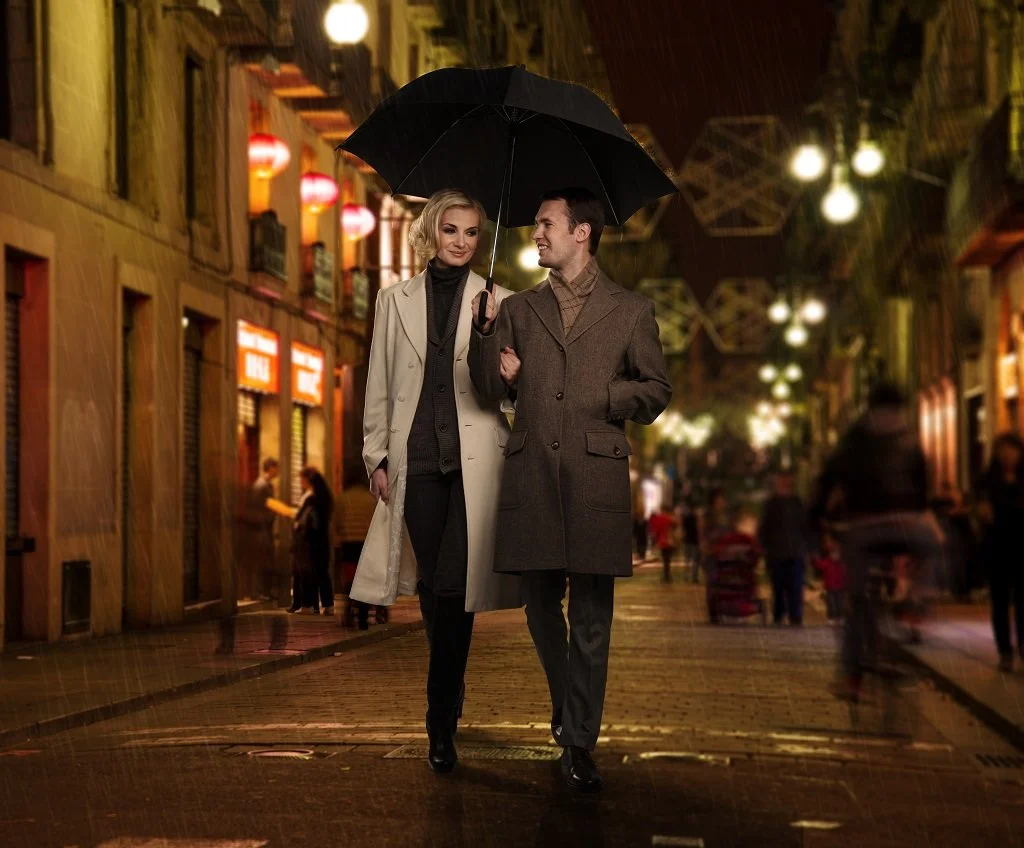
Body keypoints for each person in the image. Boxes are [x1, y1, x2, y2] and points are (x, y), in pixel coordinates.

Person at [470, 186, 671, 792]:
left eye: (546, 224)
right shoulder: (517, 309)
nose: (536, 233)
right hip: (533, 474)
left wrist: (604, 395)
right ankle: (568, 703)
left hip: (593, 478)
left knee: (591, 618)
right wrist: (486, 336)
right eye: (535, 224)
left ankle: (579, 739)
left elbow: (656, 391)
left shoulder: (630, 311)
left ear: (582, 232)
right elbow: (488, 390)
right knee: (538, 606)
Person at [350, 189, 522, 775]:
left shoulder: (500, 301)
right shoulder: (393, 300)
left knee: (454, 584)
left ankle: (439, 719)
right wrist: (376, 455)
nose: (462, 242)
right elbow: (378, 381)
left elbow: (505, 396)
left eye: (472, 233)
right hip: (415, 460)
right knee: (432, 586)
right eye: (451, 230)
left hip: (474, 465)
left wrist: (495, 344)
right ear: (431, 232)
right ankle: (451, 681)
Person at [811, 382, 941, 702]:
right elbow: (923, 483)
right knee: (935, 547)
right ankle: (917, 601)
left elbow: (828, 480)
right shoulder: (909, 438)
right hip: (905, 526)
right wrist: (916, 512)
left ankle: (852, 678)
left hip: (863, 528)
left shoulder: (853, 440)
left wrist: (817, 519)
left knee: (857, 601)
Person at [976, 432, 1024, 672]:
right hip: (996, 547)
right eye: (1002, 450)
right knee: (1000, 601)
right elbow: (980, 510)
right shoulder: (987, 481)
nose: (1007, 455)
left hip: (1021, 546)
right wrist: (981, 512)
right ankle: (1005, 651)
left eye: (1011, 450)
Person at [757, 470, 810, 626]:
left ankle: (795, 616)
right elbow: (765, 527)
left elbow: (805, 526)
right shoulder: (771, 503)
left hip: (795, 552)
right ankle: (779, 615)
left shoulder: (797, 503)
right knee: (778, 587)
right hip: (777, 553)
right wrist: (763, 546)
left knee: (795, 587)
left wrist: (808, 547)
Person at [290, 466, 334, 615]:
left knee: (307, 573)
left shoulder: (311, 499)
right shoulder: (327, 498)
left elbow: (300, 519)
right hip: (323, 539)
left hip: (309, 540)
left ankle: (308, 605)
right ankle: (328, 605)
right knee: (323, 573)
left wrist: (296, 525)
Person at [241, 457, 279, 602]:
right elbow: (256, 508)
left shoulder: (267, 485)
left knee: (266, 561)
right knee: (259, 561)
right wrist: (268, 517)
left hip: (265, 528)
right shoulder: (261, 485)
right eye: (276, 468)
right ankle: (256, 592)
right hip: (260, 529)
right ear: (270, 468)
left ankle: (264, 591)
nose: (278, 471)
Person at [813, 533, 846, 625]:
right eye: (833, 553)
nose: (835, 556)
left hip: (840, 587)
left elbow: (845, 574)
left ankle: (840, 617)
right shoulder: (828, 562)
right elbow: (819, 564)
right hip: (830, 587)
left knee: (840, 604)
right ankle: (832, 617)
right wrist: (815, 559)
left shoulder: (842, 565)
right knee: (831, 603)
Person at [648, 502, 679, 583]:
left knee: (665, 560)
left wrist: (655, 541)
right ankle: (667, 576)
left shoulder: (659, 518)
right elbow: (675, 527)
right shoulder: (670, 519)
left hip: (662, 542)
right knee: (667, 561)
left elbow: (655, 531)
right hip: (670, 541)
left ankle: (666, 576)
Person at [681, 495, 702, 583]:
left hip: (687, 540)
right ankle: (694, 577)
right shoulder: (696, 517)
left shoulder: (685, 517)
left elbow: (683, 529)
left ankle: (686, 576)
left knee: (687, 560)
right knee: (695, 560)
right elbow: (699, 528)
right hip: (695, 540)